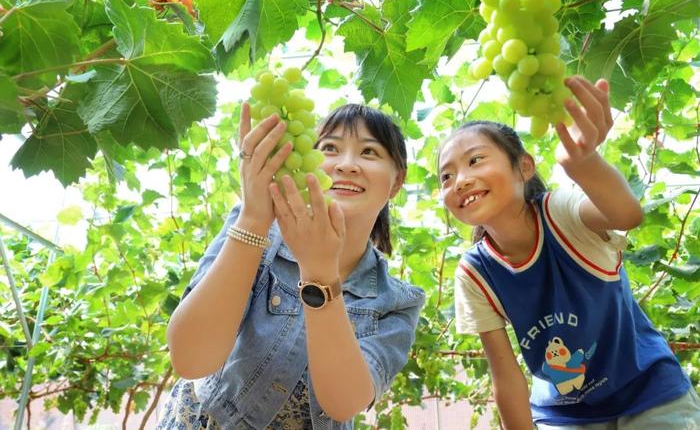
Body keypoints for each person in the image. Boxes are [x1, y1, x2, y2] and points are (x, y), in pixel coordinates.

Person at [438, 76, 700, 429]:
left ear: (524, 167)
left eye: (475, 160)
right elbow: (506, 377)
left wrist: (584, 164)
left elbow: (626, 215)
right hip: (565, 414)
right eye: (446, 176)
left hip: (650, 393)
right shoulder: (474, 273)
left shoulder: (559, 213)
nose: (460, 180)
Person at [159, 103, 425, 429]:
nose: (346, 164)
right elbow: (190, 358)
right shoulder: (255, 234)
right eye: (330, 148)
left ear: (397, 181)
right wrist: (254, 218)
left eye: (369, 152)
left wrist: (320, 274)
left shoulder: (397, 302)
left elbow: (344, 402)